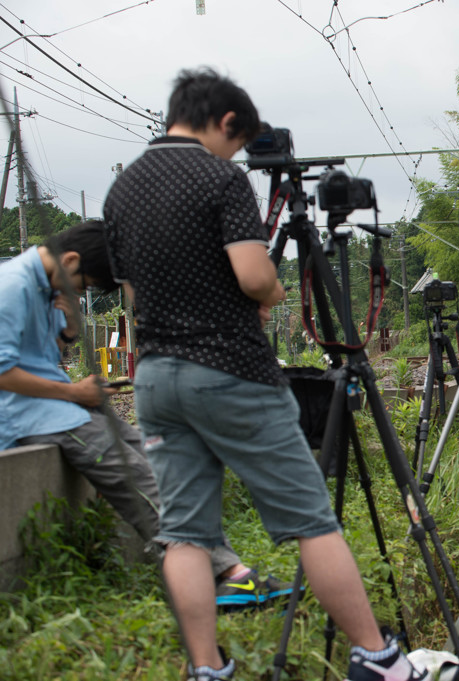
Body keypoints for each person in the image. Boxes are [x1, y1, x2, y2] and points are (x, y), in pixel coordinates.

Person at [104, 69, 424, 681]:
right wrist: (273, 288)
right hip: (229, 369)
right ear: (225, 123)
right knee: (311, 519)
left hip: (156, 375)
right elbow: (254, 276)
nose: (239, 155)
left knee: (185, 533)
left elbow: (133, 289)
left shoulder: (123, 190)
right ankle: (377, 657)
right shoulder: (217, 176)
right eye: (238, 141)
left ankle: (205, 669)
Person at [0, 222, 274, 611]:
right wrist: (72, 392)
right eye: (86, 285)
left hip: (57, 409)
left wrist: (72, 335)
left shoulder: (47, 287)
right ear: (71, 260)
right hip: (30, 416)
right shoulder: (11, 287)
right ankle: (225, 577)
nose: (82, 292)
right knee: (139, 477)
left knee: (156, 462)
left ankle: (224, 569)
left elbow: (42, 356)